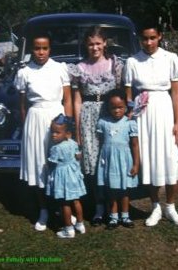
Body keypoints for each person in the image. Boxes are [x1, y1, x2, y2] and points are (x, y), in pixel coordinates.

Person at [123, 20, 178, 226]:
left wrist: (177, 123)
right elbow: (128, 94)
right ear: (139, 39)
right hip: (143, 114)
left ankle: (170, 206)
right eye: (145, 38)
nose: (149, 42)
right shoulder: (132, 61)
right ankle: (155, 207)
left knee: (170, 157)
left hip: (164, 109)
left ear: (159, 36)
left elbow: (176, 92)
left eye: (153, 37)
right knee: (149, 159)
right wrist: (131, 117)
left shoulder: (171, 58)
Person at [14, 31, 73, 231]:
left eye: (45, 48)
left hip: (57, 118)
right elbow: (22, 105)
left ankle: (63, 207)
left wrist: (68, 126)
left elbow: (67, 99)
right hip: (35, 119)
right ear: (32, 49)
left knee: (59, 163)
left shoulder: (60, 68)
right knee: (39, 164)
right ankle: (44, 209)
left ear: (50, 49)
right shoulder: (24, 72)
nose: (41, 52)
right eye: (37, 48)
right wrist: (26, 128)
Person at [68, 25, 124, 226]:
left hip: (110, 116)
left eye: (98, 43)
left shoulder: (115, 65)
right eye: (91, 44)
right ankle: (99, 206)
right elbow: (76, 99)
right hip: (88, 117)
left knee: (110, 160)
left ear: (105, 43)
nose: (95, 48)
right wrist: (77, 127)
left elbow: (121, 94)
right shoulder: (79, 68)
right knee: (92, 163)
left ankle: (114, 208)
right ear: (86, 45)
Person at [97, 89, 139, 229]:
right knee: (112, 190)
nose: (116, 111)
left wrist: (136, 164)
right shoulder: (103, 123)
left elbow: (134, 144)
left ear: (126, 107)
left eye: (120, 107)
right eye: (113, 107)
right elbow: (102, 142)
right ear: (108, 107)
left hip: (124, 161)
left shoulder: (129, 123)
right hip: (109, 161)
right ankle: (113, 217)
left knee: (124, 190)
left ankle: (125, 216)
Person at [46, 114, 86, 238]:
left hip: (63, 178)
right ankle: (80, 224)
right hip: (73, 175)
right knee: (76, 201)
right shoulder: (73, 143)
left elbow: (52, 163)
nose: (53, 135)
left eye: (57, 132)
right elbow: (78, 155)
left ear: (67, 133)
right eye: (52, 132)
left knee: (65, 203)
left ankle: (68, 229)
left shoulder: (55, 148)